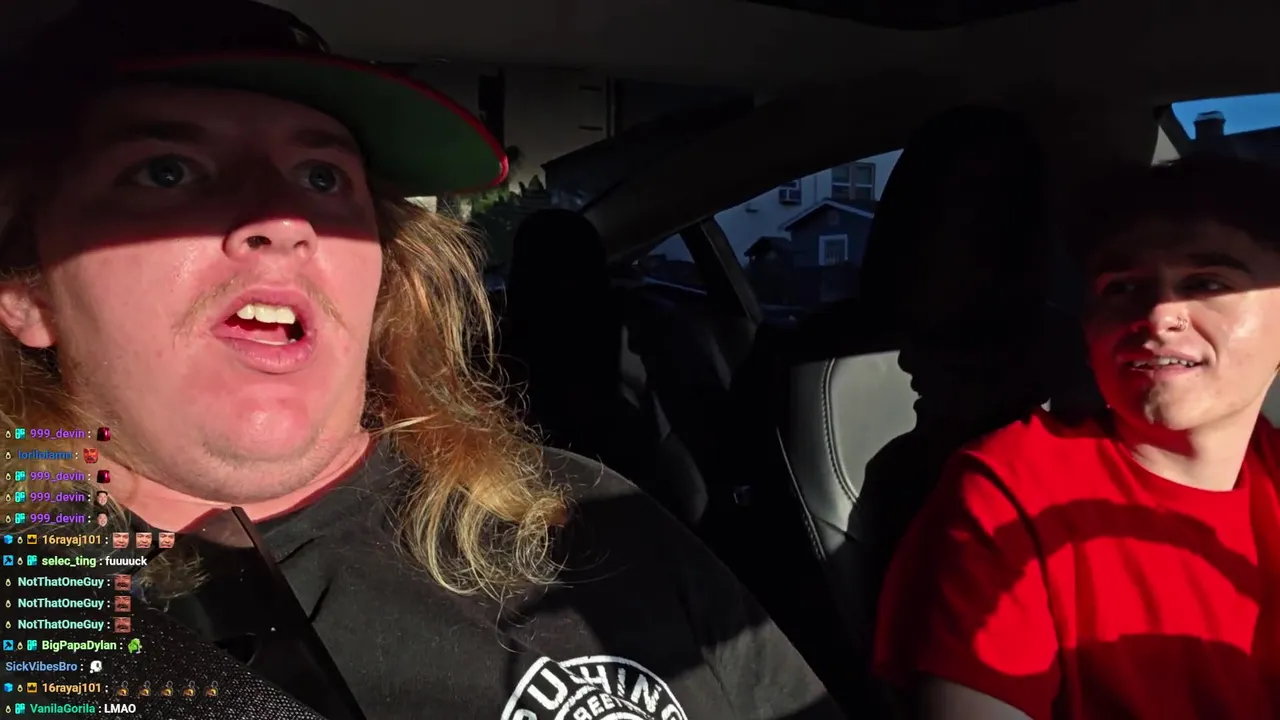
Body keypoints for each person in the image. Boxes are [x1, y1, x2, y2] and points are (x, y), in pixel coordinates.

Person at [0, 1, 843, 718]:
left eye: (322, 178)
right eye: (166, 170)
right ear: (26, 291)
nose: (284, 217)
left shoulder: (585, 520)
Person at [873, 153, 1280, 719]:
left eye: (1206, 283)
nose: (1158, 314)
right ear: (1088, 331)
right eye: (1122, 288)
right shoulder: (1010, 492)